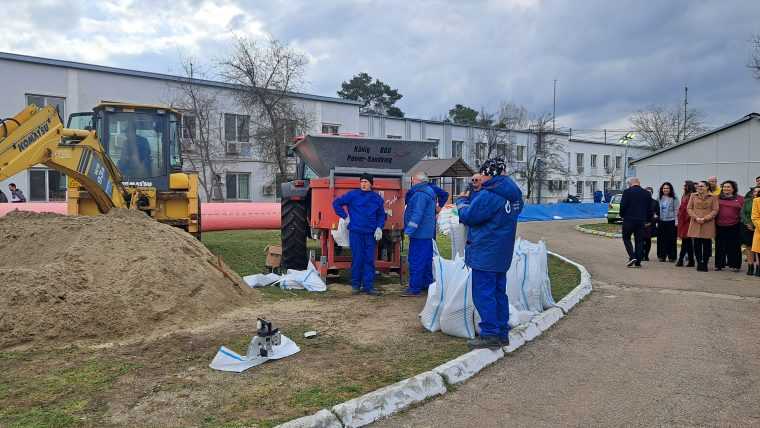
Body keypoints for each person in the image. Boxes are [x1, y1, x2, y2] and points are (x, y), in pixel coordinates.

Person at [456, 157, 522, 349]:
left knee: (484, 294)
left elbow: (470, 216)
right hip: (502, 252)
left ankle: (490, 334)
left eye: (482, 174)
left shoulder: (490, 194)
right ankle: (501, 332)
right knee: (499, 293)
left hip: (486, 252)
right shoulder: (514, 194)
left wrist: (462, 202)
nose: (479, 177)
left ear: (488, 175)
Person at [332, 173, 386, 296]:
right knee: (357, 259)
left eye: (366, 182)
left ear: (371, 184)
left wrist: (379, 227)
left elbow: (381, 215)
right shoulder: (353, 195)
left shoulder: (376, 198)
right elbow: (336, 203)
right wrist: (345, 217)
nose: (363, 184)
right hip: (356, 233)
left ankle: (368, 286)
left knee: (369, 260)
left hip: (370, 234)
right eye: (362, 182)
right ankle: (356, 285)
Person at [402, 172, 437, 297]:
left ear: (420, 181)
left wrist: (409, 230)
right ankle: (426, 284)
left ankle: (414, 288)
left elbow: (417, 214)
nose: (412, 182)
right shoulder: (428, 192)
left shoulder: (420, 194)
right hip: (426, 234)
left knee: (416, 260)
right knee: (426, 260)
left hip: (419, 234)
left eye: (414, 180)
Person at [619, 177, 652, 268]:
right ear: (638, 183)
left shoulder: (627, 192)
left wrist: (622, 215)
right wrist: (648, 220)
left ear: (631, 183)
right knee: (639, 241)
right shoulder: (646, 193)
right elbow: (649, 208)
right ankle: (638, 262)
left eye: (628, 184)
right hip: (641, 221)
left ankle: (632, 256)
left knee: (626, 238)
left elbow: (623, 205)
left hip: (628, 220)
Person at [687, 180, 719, 272]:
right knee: (696, 244)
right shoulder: (693, 195)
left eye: (702, 186)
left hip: (707, 223)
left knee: (706, 245)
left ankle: (705, 263)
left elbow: (715, 210)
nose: (699, 188)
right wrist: (696, 217)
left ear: (707, 187)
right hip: (695, 222)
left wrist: (705, 218)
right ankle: (699, 263)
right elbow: (689, 208)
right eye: (698, 186)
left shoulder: (713, 197)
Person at [714, 180, 744, 272]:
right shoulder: (717, 198)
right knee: (719, 246)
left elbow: (743, 212)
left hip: (735, 225)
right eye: (724, 187)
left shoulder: (740, 198)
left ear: (733, 188)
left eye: (728, 187)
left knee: (734, 246)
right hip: (719, 225)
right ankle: (719, 265)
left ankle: (735, 265)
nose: (726, 188)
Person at [676, 181, 696, 267]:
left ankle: (681, 260)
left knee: (686, 241)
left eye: (685, 185)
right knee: (687, 242)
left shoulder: (692, 195)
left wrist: (686, 218)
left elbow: (690, 208)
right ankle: (690, 261)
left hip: (687, 221)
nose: (684, 187)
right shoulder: (684, 195)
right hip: (682, 220)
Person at [656, 182, 678, 262]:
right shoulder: (659, 198)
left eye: (667, 188)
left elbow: (676, 210)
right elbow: (656, 209)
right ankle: (662, 256)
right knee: (661, 240)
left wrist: (676, 221)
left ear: (670, 189)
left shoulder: (674, 198)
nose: (665, 189)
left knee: (671, 240)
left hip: (671, 221)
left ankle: (672, 256)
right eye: (664, 188)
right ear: (662, 189)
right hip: (661, 221)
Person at [742, 186, 759, 275]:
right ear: (752, 193)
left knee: (758, 249)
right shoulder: (747, 202)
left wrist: (756, 225)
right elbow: (742, 214)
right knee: (749, 247)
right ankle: (750, 266)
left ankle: (758, 268)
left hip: (758, 227)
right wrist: (748, 223)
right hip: (748, 227)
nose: (757, 193)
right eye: (755, 191)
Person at [642, 187, 659, 261]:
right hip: (641, 224)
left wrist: (651, 222)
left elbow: (657, 214)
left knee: (648, 240)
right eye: (647, 192)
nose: (648, 193)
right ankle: (641, 254)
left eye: (650, 192)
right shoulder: (640, 201)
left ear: (652, 193)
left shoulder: (655, 202)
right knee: (641, 240)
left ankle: (646, 255)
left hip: (650, 224)